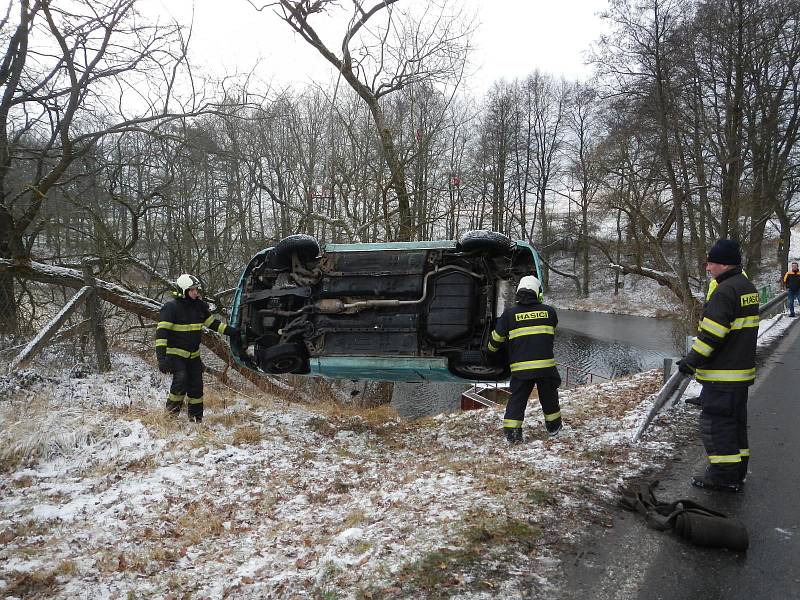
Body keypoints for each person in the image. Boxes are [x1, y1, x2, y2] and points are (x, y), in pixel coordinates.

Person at [677, 239, 758, 492]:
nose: (708, 267)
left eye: (711, 262)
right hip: (740, 373)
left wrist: (691, 361)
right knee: (735, 425)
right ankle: (737, 470)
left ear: (724, 264)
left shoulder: (724, 292)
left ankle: (723, 476)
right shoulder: (746, 287)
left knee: (716, 425)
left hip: (722, 375)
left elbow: (711, 336)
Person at [486, 275, 562, 444]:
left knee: (518, 400)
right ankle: (554, 427)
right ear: (537, 293)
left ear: (519, 292)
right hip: (546, 368)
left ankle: (513, 434)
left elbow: (496, 340)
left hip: (521, 370)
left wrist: (489, 352)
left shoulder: (509, 315)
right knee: (549, 398)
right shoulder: (549, 312)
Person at [155, 274, 240, 423]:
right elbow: (161, 335)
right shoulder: (171, 308)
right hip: (175, 355)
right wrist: (161, 359)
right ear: (183, 291)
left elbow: (214, 324)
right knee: (181, 379)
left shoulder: (199, 307)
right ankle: (170, 416)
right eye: (192, 290)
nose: (196, 292)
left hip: (193, 356)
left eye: (196, 289)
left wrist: (234, 332)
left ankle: (195, 419)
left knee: (196, 386)